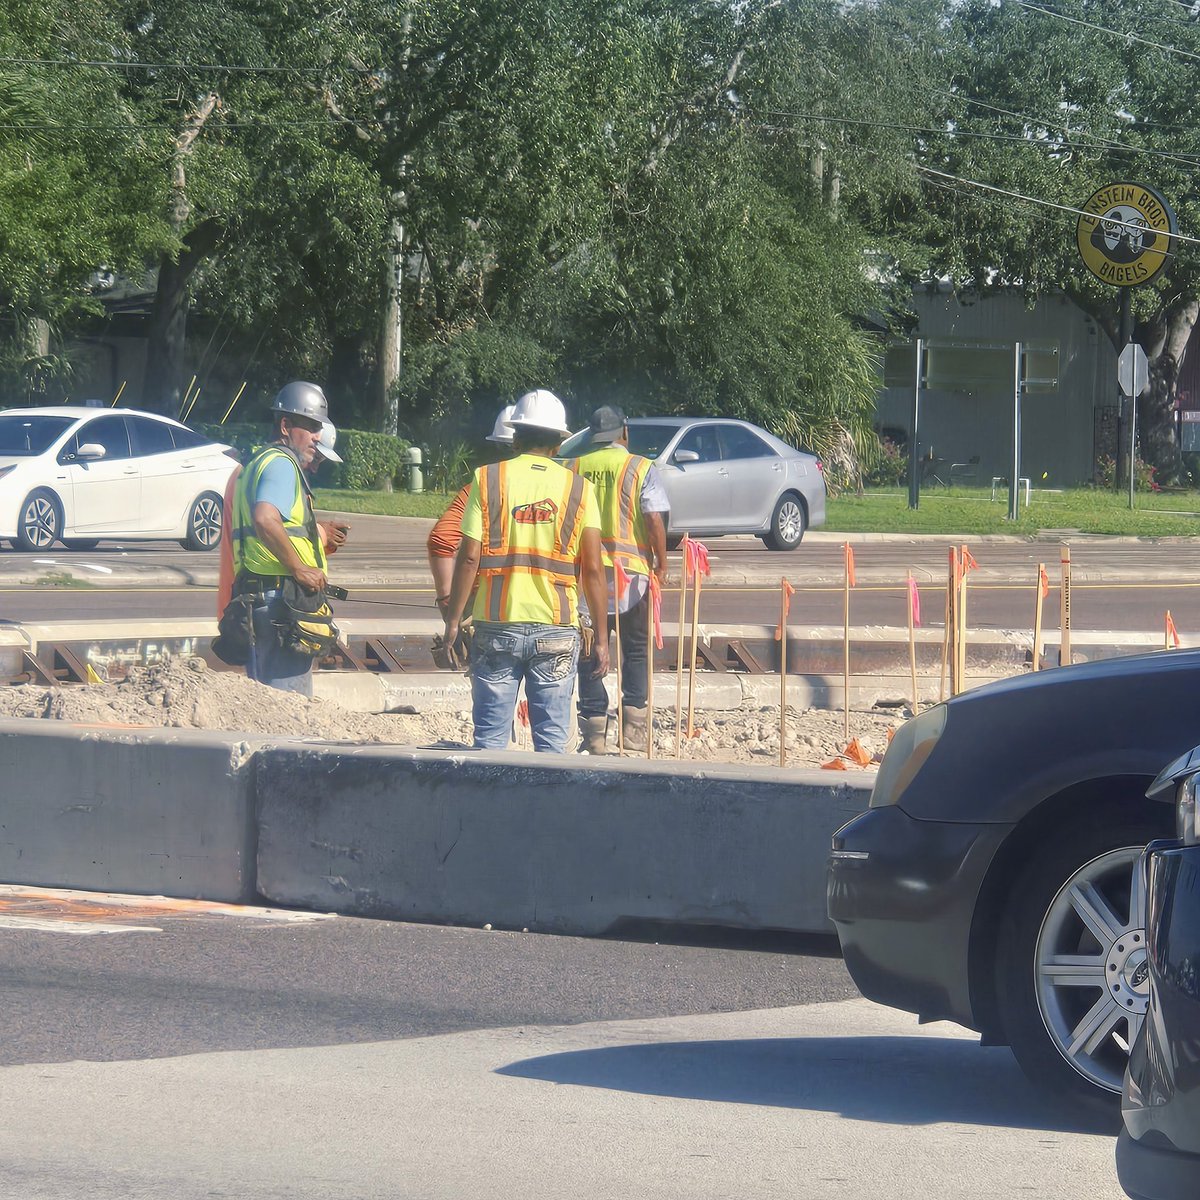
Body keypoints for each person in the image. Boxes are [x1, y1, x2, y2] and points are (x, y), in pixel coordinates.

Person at [443, 389, 609, 753]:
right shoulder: (580, 489)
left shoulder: (487, 479)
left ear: (516, 435)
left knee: (489, 741)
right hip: (557, 628)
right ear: (559, 441)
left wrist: (454, 620)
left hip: (496, 624)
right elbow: (594, 569)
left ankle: (492, 810)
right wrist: (601, 639)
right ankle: (546, 810)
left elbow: (469, 557)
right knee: (551, 743)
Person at [564, 405, 669, 754]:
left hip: (585, 577)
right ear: (624, 431)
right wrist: (661, 564)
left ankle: (594, 733)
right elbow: (653, 519)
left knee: (591, 650)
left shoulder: (574, 467)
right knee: (635, 650)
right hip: (632, 575)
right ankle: (634, 731)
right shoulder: (640, 467)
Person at [228, 381, 332, 695]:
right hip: (281, 603)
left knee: (265, 707)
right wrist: (299, 568)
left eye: (319, 428)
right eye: (311, 426)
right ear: (285, 425)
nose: (318, 436)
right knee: (291, 713)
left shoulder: (257, 463)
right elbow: (265, 517)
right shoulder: (283, 464)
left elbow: (275, 524)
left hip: (255, 599)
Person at [426, 405, 515, 618]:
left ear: (497, 445)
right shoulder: (565, 488)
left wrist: (447, 599)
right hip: (550, 610)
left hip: (486, 606)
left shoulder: (482, 487)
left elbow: (441, 540)